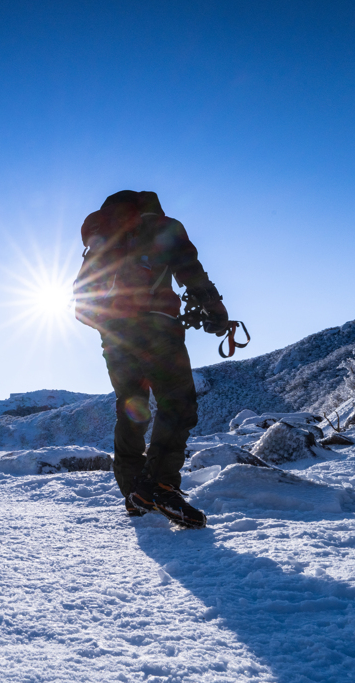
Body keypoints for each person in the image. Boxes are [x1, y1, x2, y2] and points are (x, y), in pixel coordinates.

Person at [73, 190, 228, 528]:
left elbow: (82, 306)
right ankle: (160, 485)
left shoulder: (104, 238)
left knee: (131, 408)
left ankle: (135, 493)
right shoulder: (163, 227)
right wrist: (215, 309)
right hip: (158, 330)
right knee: (178, 404)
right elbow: (190, 270)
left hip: (113, 339)